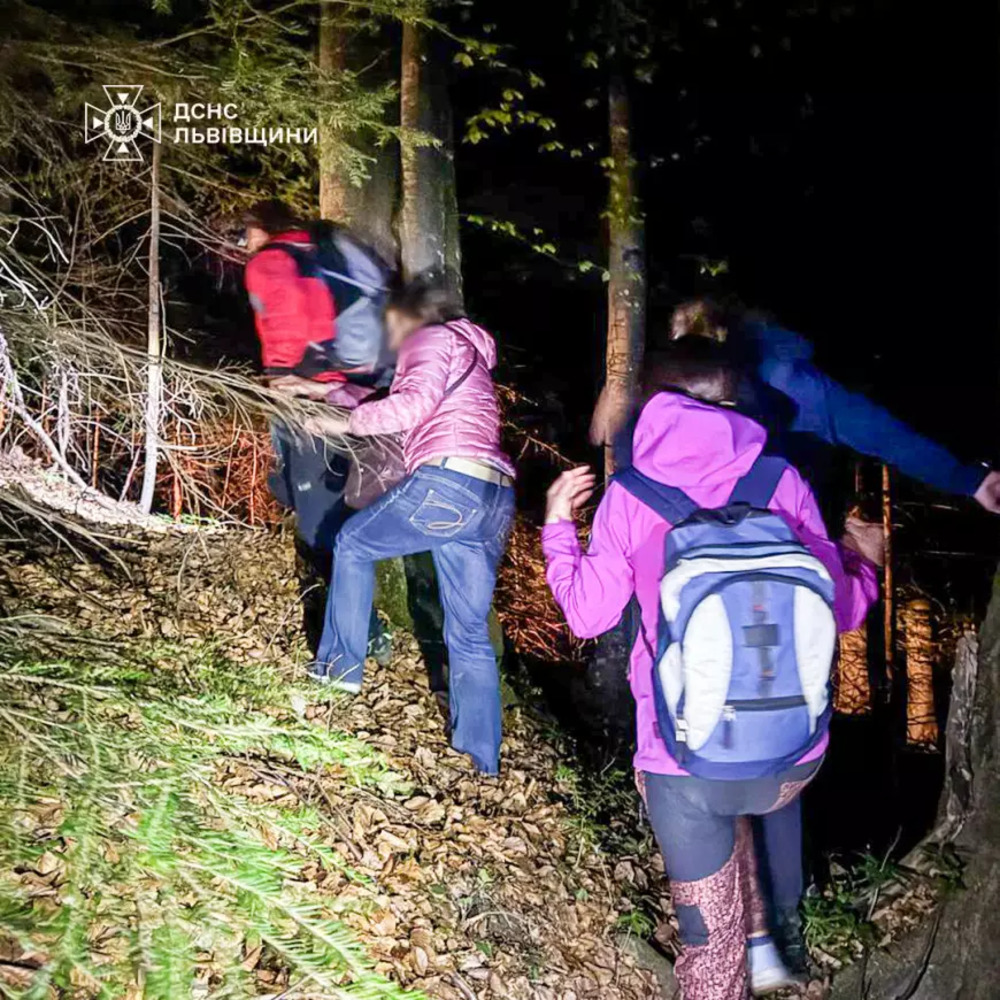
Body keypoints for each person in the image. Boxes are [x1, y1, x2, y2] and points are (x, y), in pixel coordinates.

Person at [543, 340, 881, 999]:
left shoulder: (631, 493)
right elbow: (839, 608)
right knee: (748, 801)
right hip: (792, 761)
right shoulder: (780, 481)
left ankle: (735, 951)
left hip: (683, 767)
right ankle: (771, 940)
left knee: (707, 950)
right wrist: (864, 561)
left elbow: (586, 615)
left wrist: (558, 523)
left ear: (654, 404)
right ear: (737, 402)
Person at [299, 271, 516, 775]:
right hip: (493, 496)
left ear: (408, 316)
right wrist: (327, 395)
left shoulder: (429, 337)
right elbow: (393, 399)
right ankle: (481, 757)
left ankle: (338, 670)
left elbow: (408, 407)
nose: (392, 339)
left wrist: (341, 423)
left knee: (354, 544)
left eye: (391, 326)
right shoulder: (466, 350)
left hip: (450, 482)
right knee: (468, 631)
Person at [591, 297, 1000, 513]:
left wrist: (967, 480)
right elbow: (610, 436)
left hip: (780, 533)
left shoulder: (786, 382)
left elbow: (880, 432)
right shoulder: (666, 384)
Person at [242, 199, 389, 657]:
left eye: (246, 232)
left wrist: (289, 379)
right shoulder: (321, 253)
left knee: (317, 519)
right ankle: (360, 626)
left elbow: (288, 326)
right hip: (353, 395)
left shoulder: (272, 260)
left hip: (308, 398)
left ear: (264, 228)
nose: (243, 243)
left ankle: (357, 636)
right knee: (315, 500)